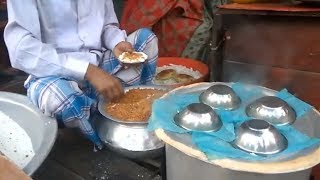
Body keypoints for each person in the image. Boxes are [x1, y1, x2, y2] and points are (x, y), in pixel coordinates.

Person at [4, 0, 158, 149]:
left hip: (100, 64)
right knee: (62, 98)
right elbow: (21, 49)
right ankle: (101, 129)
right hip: (53, 74)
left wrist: (116, 43)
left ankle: (133, 109)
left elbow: (106, 26)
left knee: (146, 40)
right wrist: (88, 71)